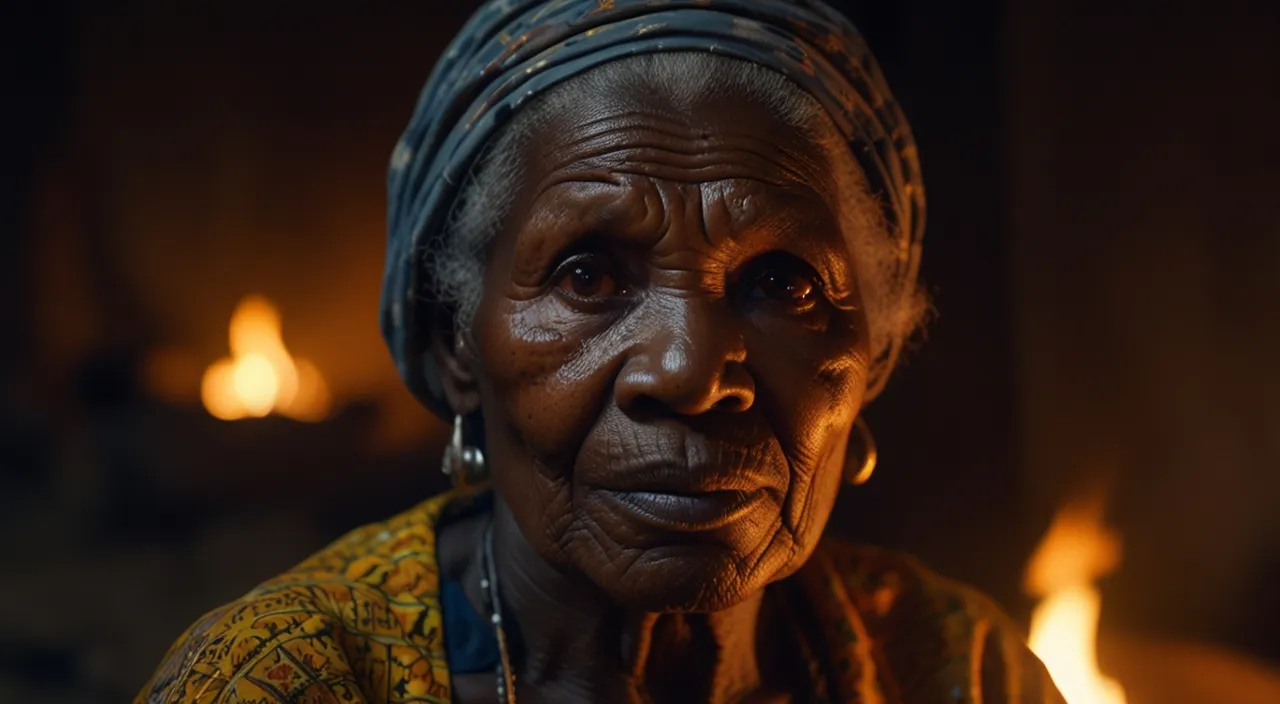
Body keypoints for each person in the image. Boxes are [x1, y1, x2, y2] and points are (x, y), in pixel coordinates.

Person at [137, 1, 1064, 702]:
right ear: (455, 342)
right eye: (588, 277)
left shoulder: (959, 670)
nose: (693, 373)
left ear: (872, 355)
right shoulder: (285, 682)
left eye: (783, 284)